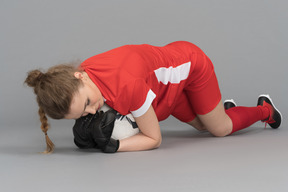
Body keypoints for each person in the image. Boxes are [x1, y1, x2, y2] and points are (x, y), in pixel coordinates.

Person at [24, 41, 282, 153]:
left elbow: (153, 138)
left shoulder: (127, 85)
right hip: (163, 91)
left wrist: (112, 146)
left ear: (80, 75)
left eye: (88, 105)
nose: (92, 112)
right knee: (204, 125)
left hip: (190, 68)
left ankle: (265, 110)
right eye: (82, 115)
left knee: (220, 129)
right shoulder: (85, 73)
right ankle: (219, 110)